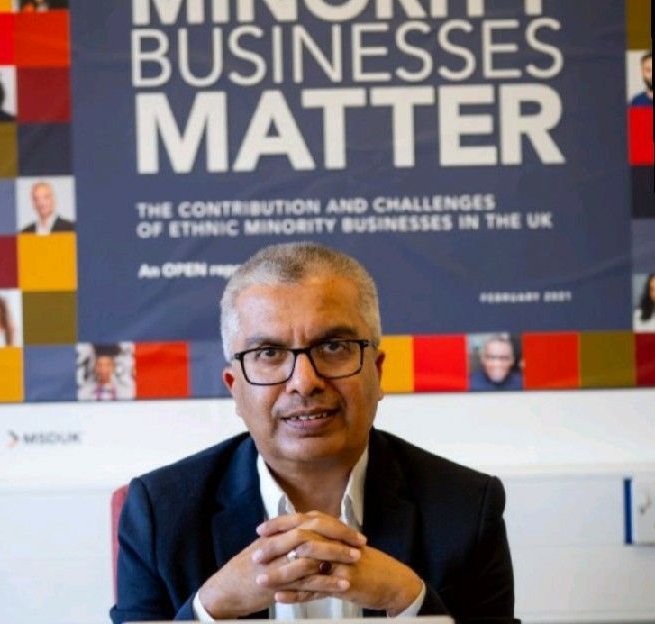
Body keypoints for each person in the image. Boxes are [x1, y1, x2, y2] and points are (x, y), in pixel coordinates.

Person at [113, 243, 517, 623]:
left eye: (334, 347)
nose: (304, 382)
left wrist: (409, 601)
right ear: (234, 388)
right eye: (269, 353)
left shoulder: (465, 507)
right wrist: (209, 608)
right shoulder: (161, 514)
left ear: (377, 372)